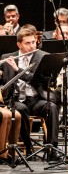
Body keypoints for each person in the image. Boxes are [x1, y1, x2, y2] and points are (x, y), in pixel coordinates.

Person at [0, 28, 60, 160]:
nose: (32, 46)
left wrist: (18, 70)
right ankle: (28, 147)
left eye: (34, 42)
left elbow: (37, 80)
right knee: (21, 110)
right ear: (19, 44)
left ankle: (52, 148)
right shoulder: (7, 58)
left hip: (37, 99)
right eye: (28, 43)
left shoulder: (43, 57)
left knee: (52, 107)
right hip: (17, 100)